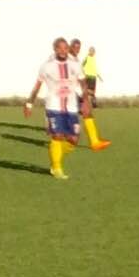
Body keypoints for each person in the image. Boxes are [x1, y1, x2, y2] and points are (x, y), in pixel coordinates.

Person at [23, 37, 83, 179]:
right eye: (59, 48)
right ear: (55, 49)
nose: (63, 51)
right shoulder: (47, 66)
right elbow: (37, 85)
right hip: (53, 106)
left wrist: (85, 101)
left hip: (72, 106)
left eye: (65, 48)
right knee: (57, 136)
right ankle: (56, 168)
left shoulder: (75, 64)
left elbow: (83, 82)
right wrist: (29, 103)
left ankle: (56, 157)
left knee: (73, 140)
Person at [78, 44, 110, 151]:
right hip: (88, 76)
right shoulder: (87, 58)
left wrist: (99, 76)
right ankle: (83, 104)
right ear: (89, 51)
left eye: (94, 51)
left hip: (93, 77)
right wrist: (84, 74)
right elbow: (82, 65)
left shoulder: (94, 59)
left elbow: (94, 68)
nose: (93, 52)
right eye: (91, 50)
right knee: (87, 92)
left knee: (92, 93)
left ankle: (90, 103)